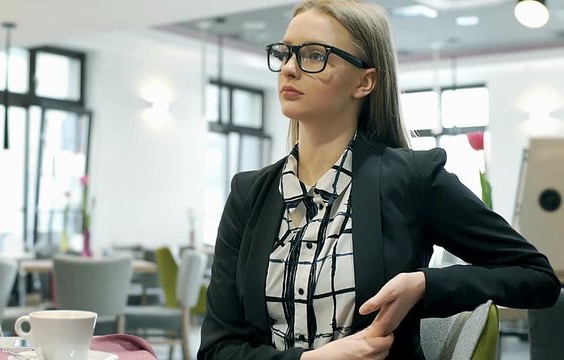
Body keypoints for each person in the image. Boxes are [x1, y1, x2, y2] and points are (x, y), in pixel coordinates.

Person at [197, 0, 560, 359]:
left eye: (313, 55)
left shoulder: (411, 180)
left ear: (364, 81)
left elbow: (535, 277)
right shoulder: (249, 194)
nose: (289, 69)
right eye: (286, 53)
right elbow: (218, 349)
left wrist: (425, 283)